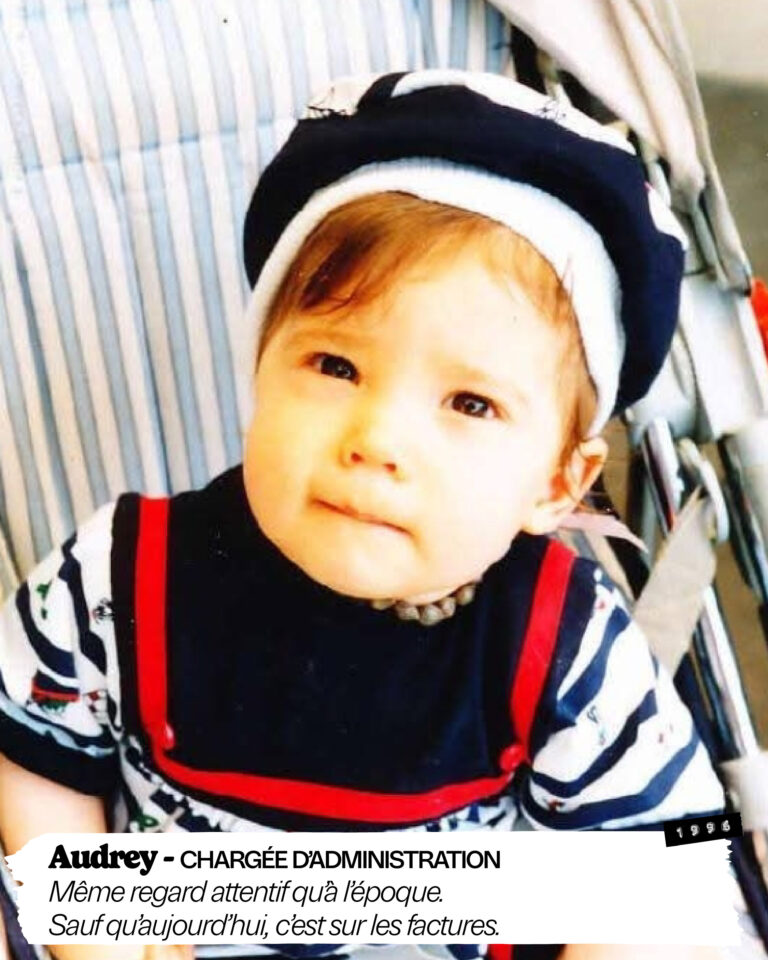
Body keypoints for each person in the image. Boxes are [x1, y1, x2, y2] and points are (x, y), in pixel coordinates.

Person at [0, 71, 727, 960]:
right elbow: (34, 762)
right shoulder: (117, 580)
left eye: (470, 404)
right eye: (335, 367)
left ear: (556, 483)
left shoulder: (563, 642)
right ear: (260, 371)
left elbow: (652, 871)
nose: (377, 439)